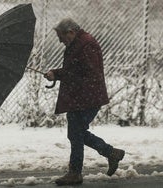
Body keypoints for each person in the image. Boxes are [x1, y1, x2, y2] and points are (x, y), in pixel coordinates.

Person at [44, 18, 125, 186]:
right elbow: (75, 69)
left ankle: (76, 173)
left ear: (71, 32)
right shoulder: (77, 43)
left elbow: (87, 73)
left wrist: (58, 75)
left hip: (87, 98)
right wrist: (55, 73)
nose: (60, 41)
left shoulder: (87, 45)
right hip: (81, 97)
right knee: (76, 133)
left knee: (76, 133)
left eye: (61, 37)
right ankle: (111, 153)